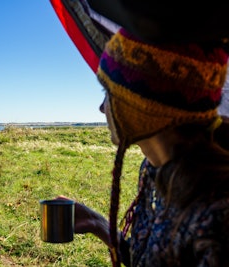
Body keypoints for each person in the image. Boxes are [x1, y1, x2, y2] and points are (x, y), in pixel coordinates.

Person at [58, 28, 229, 266]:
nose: (101, 108)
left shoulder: (218, 217)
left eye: (108, 93)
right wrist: (99, 225)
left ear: (142, 105)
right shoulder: (153, 172)